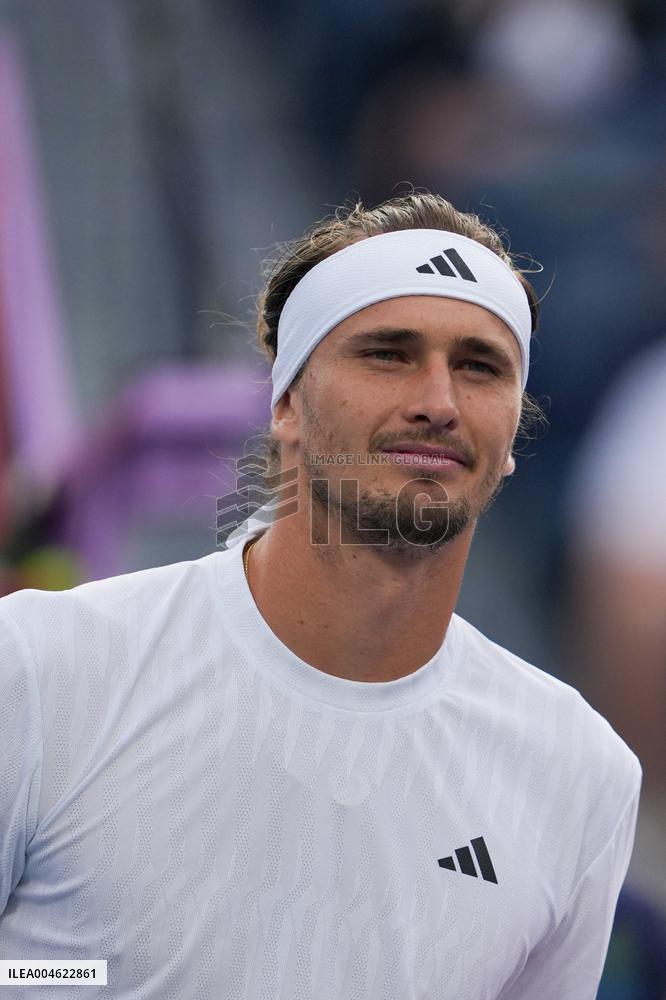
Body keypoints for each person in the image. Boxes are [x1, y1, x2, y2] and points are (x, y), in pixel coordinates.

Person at [0, 192, 641, 999]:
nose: (439, 403)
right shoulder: (37, 664)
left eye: (479, 366)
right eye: (388, 354)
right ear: (286, 406)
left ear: (513, 433)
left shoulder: (579, 773)